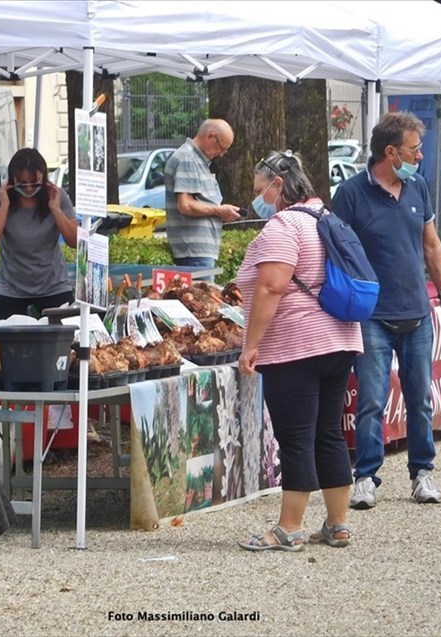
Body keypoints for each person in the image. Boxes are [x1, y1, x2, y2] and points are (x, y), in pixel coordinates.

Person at [331, 111, 441, 509]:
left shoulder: (417, 187)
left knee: (420, 398)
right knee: (371, 400)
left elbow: (432, 244)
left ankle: (423, 473)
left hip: (417, 312)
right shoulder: (350, 195)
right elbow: (336, 254)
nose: (420, 156)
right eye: (414, 149)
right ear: (390, 152)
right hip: (372, 315)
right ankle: (366, 477)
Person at [235, 150, 363, 552]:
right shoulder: (326, 218)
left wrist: (251, 346)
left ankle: (288, 528)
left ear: (277, 185)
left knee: (295, 437)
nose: (257, 199)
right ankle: (337, 524)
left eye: (260, 190)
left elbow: (271, 287)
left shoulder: (283, 226)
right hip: (340, 338)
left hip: (295, 344)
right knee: (329, 432)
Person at [0, 147, 78, 320]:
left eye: (35, 183)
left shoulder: (57, 196)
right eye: (23, 183)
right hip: (10, 286)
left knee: (64, 339)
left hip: (53, 284)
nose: (30, 189)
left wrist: (55, 209)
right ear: (12, 179)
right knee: (6, 341)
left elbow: (75, 241)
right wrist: (5, 206)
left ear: (44, 178)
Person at [164, 119, 241, 273]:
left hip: (197, 251)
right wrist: (220, 211)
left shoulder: (198, 160)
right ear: (211, 136)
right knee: (201, 296)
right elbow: (185, 205)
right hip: (193, 252)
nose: (221, 154)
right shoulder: (188, 158)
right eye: (222, 148)